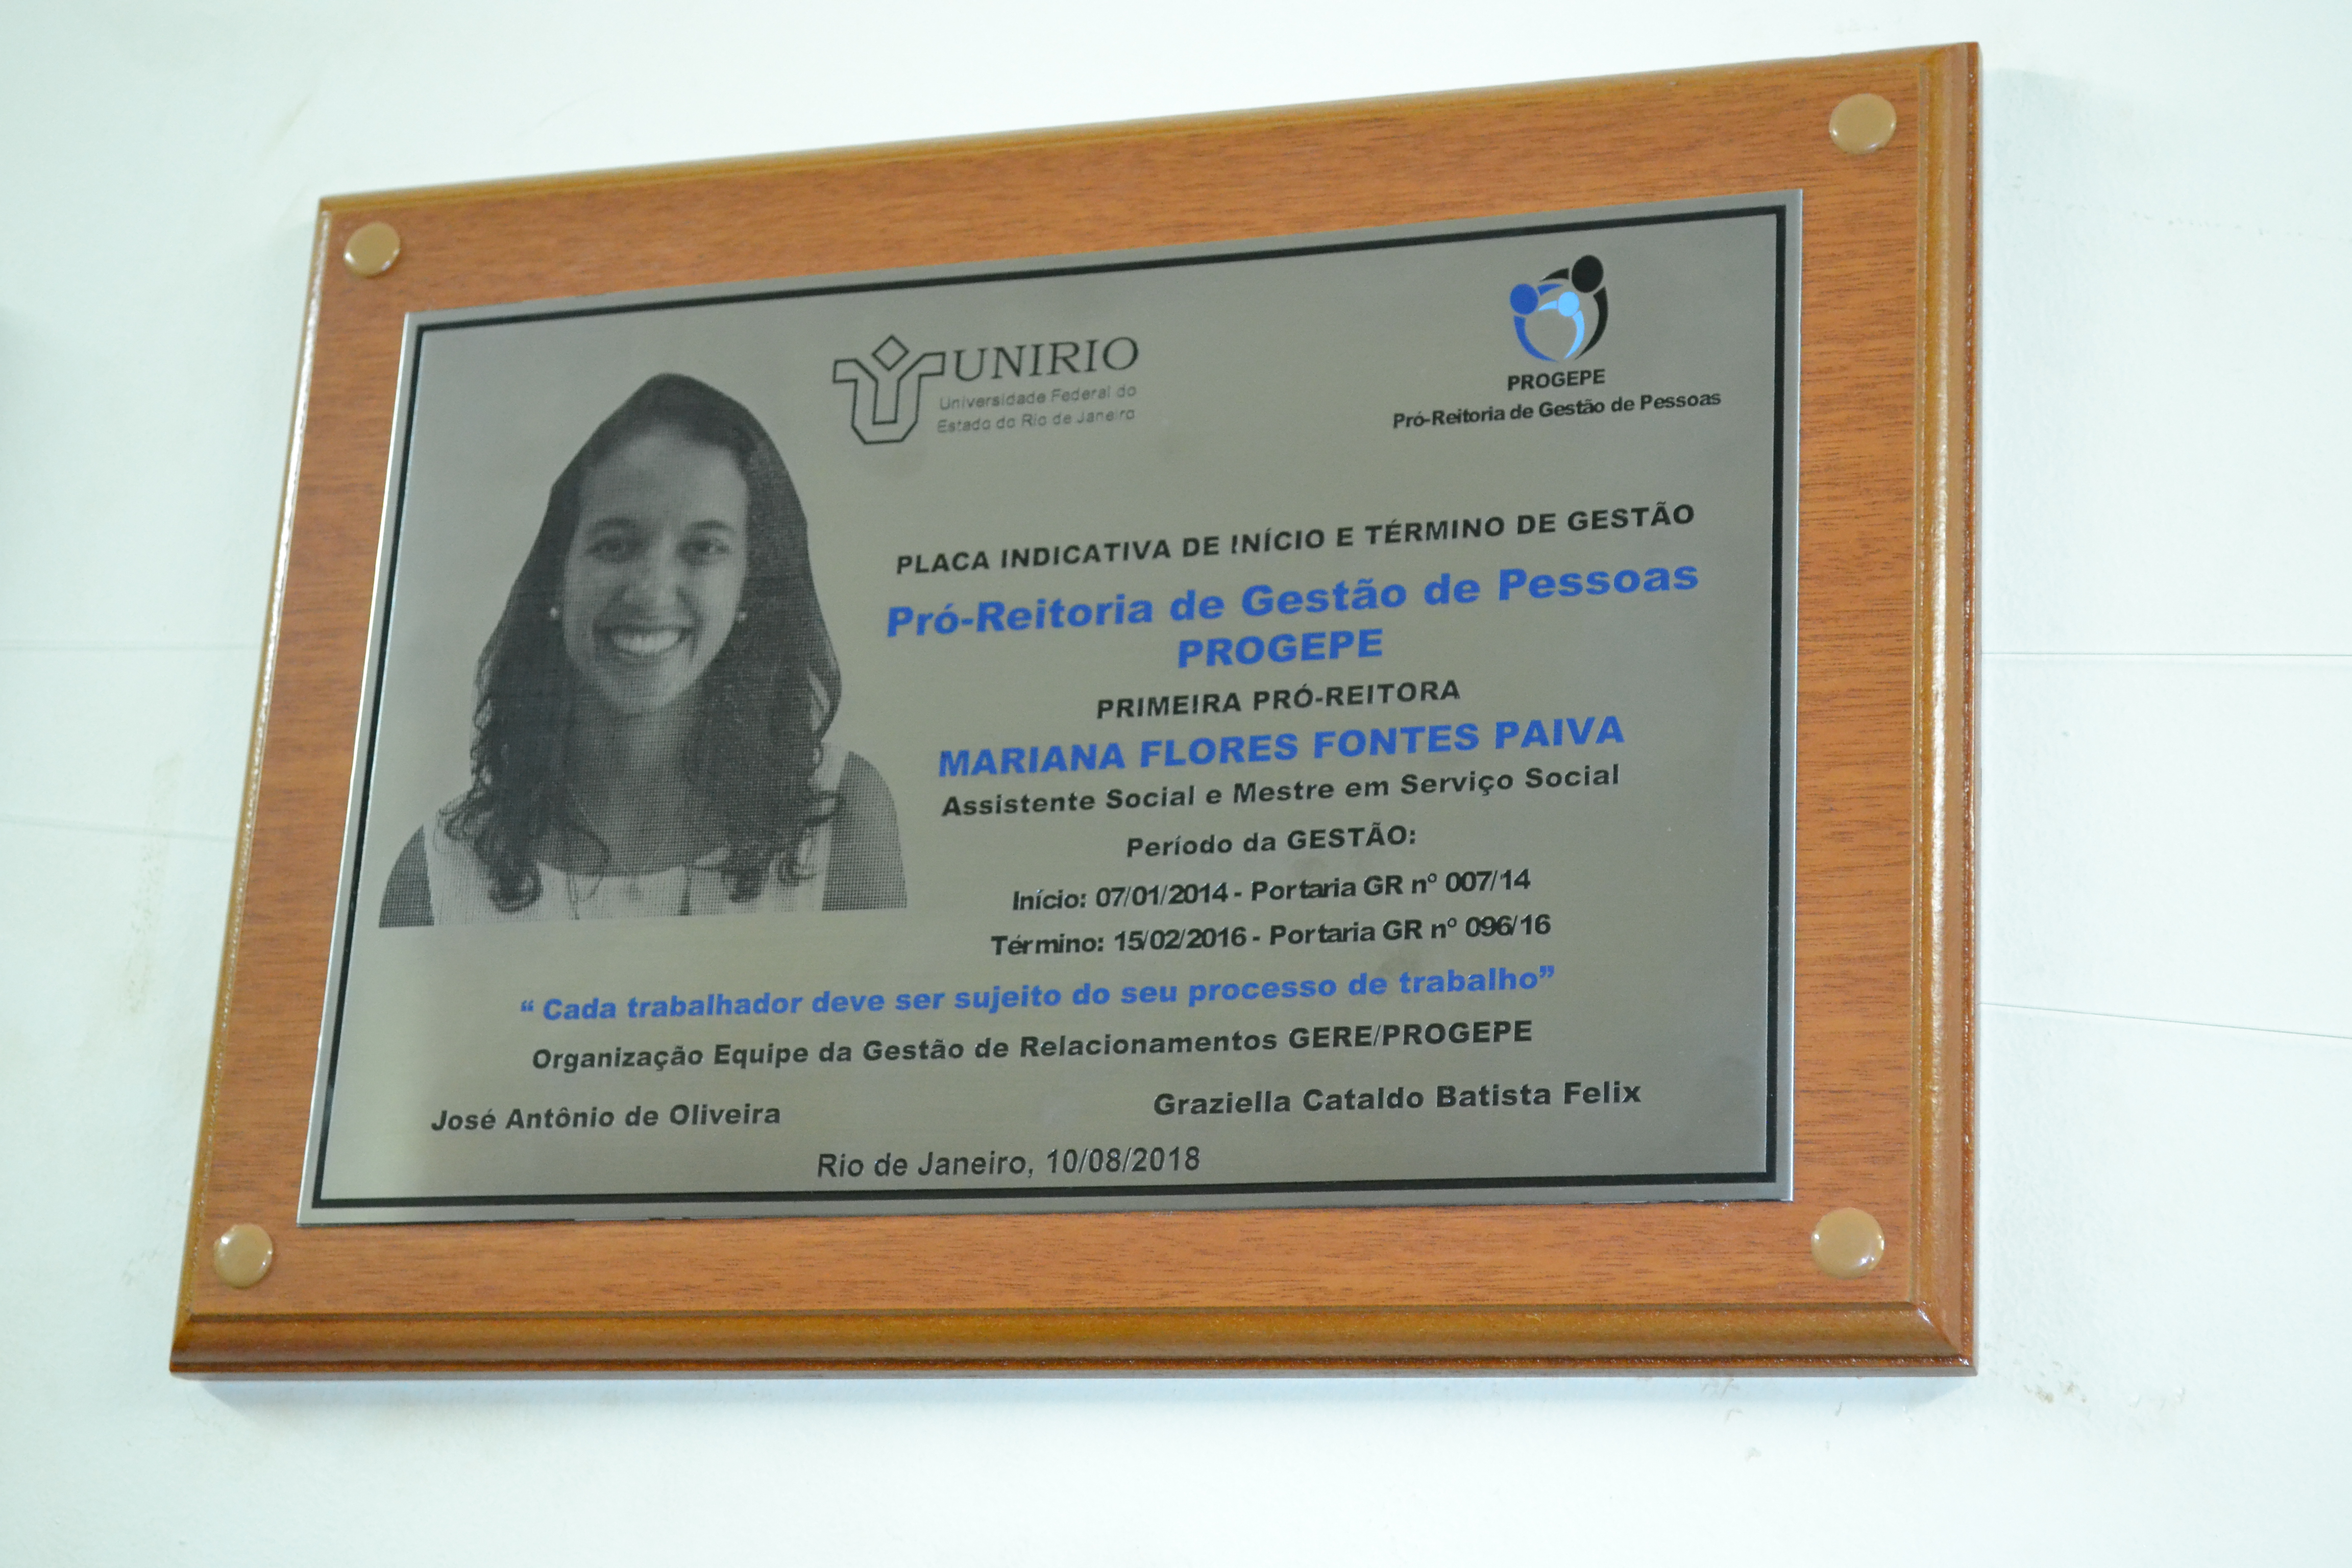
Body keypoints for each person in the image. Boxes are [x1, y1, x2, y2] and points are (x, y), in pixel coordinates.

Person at [379, 373, 902, 924]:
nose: (652, 591)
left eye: (704, 548)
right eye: (616, 546)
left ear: (750, 584)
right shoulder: (437, 873)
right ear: (557, 576)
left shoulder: (842, 816)